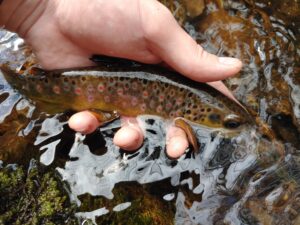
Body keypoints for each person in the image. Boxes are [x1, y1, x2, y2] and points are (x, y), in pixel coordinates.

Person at [0, 0, 242, 158]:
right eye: (230, 124)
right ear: (194, 112)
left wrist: (33, 9)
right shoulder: (190, 110)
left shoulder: (191, 105)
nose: (233, 128)